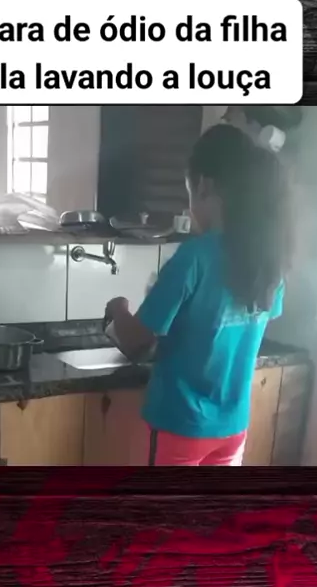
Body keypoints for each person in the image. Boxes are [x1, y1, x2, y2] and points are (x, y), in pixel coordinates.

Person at [104, 124, 294, 466]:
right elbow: (224, 325)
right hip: (232, 428)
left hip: (180, 424)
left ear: (204, 185)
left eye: (189, 192)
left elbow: (135, 342)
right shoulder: (269, 258)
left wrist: (118, 309)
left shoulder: (195, 257)